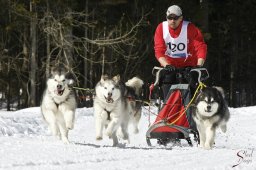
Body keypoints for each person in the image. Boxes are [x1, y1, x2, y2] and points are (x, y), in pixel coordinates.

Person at [154, 5, 207, 99]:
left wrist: (198, 66)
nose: (172, 21)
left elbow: (200, 47)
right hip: (169, 65)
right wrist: (166, 65)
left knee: (192, 80)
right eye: (170, 18)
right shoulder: (161, 28)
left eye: (175, 18)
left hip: (188, 65)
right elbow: (159, 50)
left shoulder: (190, 28)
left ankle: (190, 107)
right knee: (166, 80)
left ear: (181, 18)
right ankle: (168, 107)